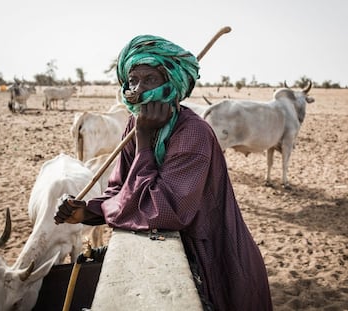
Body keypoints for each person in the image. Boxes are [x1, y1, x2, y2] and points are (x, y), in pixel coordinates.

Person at [54, 34, 273, 310]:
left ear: (172, 84)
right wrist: (88, 211)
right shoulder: (135, 124)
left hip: (215, 257)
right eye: (132, 80)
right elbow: (121, 189)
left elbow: (164, 211)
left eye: (150, 80)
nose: (137, 90)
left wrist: (144, 141)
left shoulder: (192, 132)